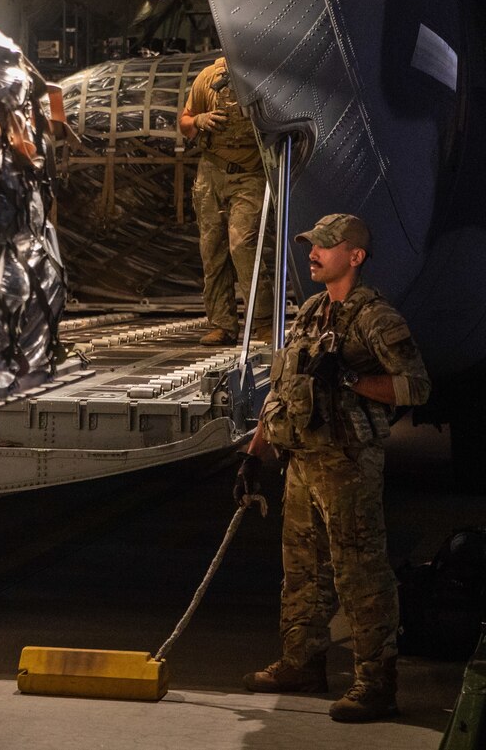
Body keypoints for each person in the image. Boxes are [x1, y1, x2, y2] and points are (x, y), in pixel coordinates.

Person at [233, 213, 431, 722]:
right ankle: (301, 663)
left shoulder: (376, 318)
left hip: (347, 464)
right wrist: (254, 454)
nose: (313, 254)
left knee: (359, 573)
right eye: (311, 246)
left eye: (324, 246)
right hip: (302, 461)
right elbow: (282, 390)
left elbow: (415, 387)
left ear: (355, 256)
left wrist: (350, 380)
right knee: (302, 571)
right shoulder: (312, 312)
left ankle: (376, 683)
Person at [180, 57, 273, 346]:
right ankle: (222, 323)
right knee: (212, 248)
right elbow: (184, 121)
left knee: (242, 244)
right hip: (211, 172)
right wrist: (198, 120)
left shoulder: (266, 77)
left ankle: (263, 322)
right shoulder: (208, 77)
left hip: (250, 173)